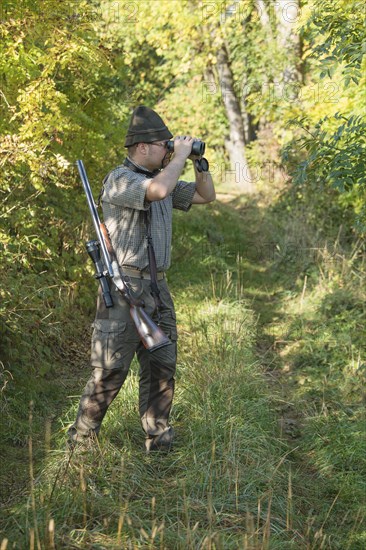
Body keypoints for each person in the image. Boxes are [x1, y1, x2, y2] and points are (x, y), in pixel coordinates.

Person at [68, 105, 215, 452]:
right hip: (125, 288)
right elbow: (158, 191)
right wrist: (177, 157)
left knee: (162, 366)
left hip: (157, 287)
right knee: (111, 370)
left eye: (170, 146)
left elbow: (205, 195)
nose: (169, 150)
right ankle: (82, 442)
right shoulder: (121, 179)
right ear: (143, 147)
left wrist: (197, 163)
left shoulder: (163, 178)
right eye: (164, 145)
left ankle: (159, 438)